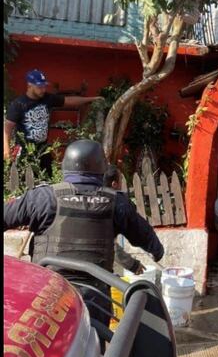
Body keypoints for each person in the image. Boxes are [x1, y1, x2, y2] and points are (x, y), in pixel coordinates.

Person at [3, 140, 164, 335]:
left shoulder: (42, 198)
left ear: (65, 166)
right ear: (102, 170)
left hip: (46, 296)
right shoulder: (117, 203)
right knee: (95, 346)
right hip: (94, 296)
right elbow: (148, 239)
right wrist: (157, 252)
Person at [4, 69, 102, 174]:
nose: (43, 89)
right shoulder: (18, 104)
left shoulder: (47, 98)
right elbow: (7, 128)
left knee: (47, 179)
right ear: (29, 85)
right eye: (39, 87)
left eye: (44, 86)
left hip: (43, 149)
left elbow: (68, 100)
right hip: (26, 151)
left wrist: (91, 99)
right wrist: (6, 150)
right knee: (25, 180)